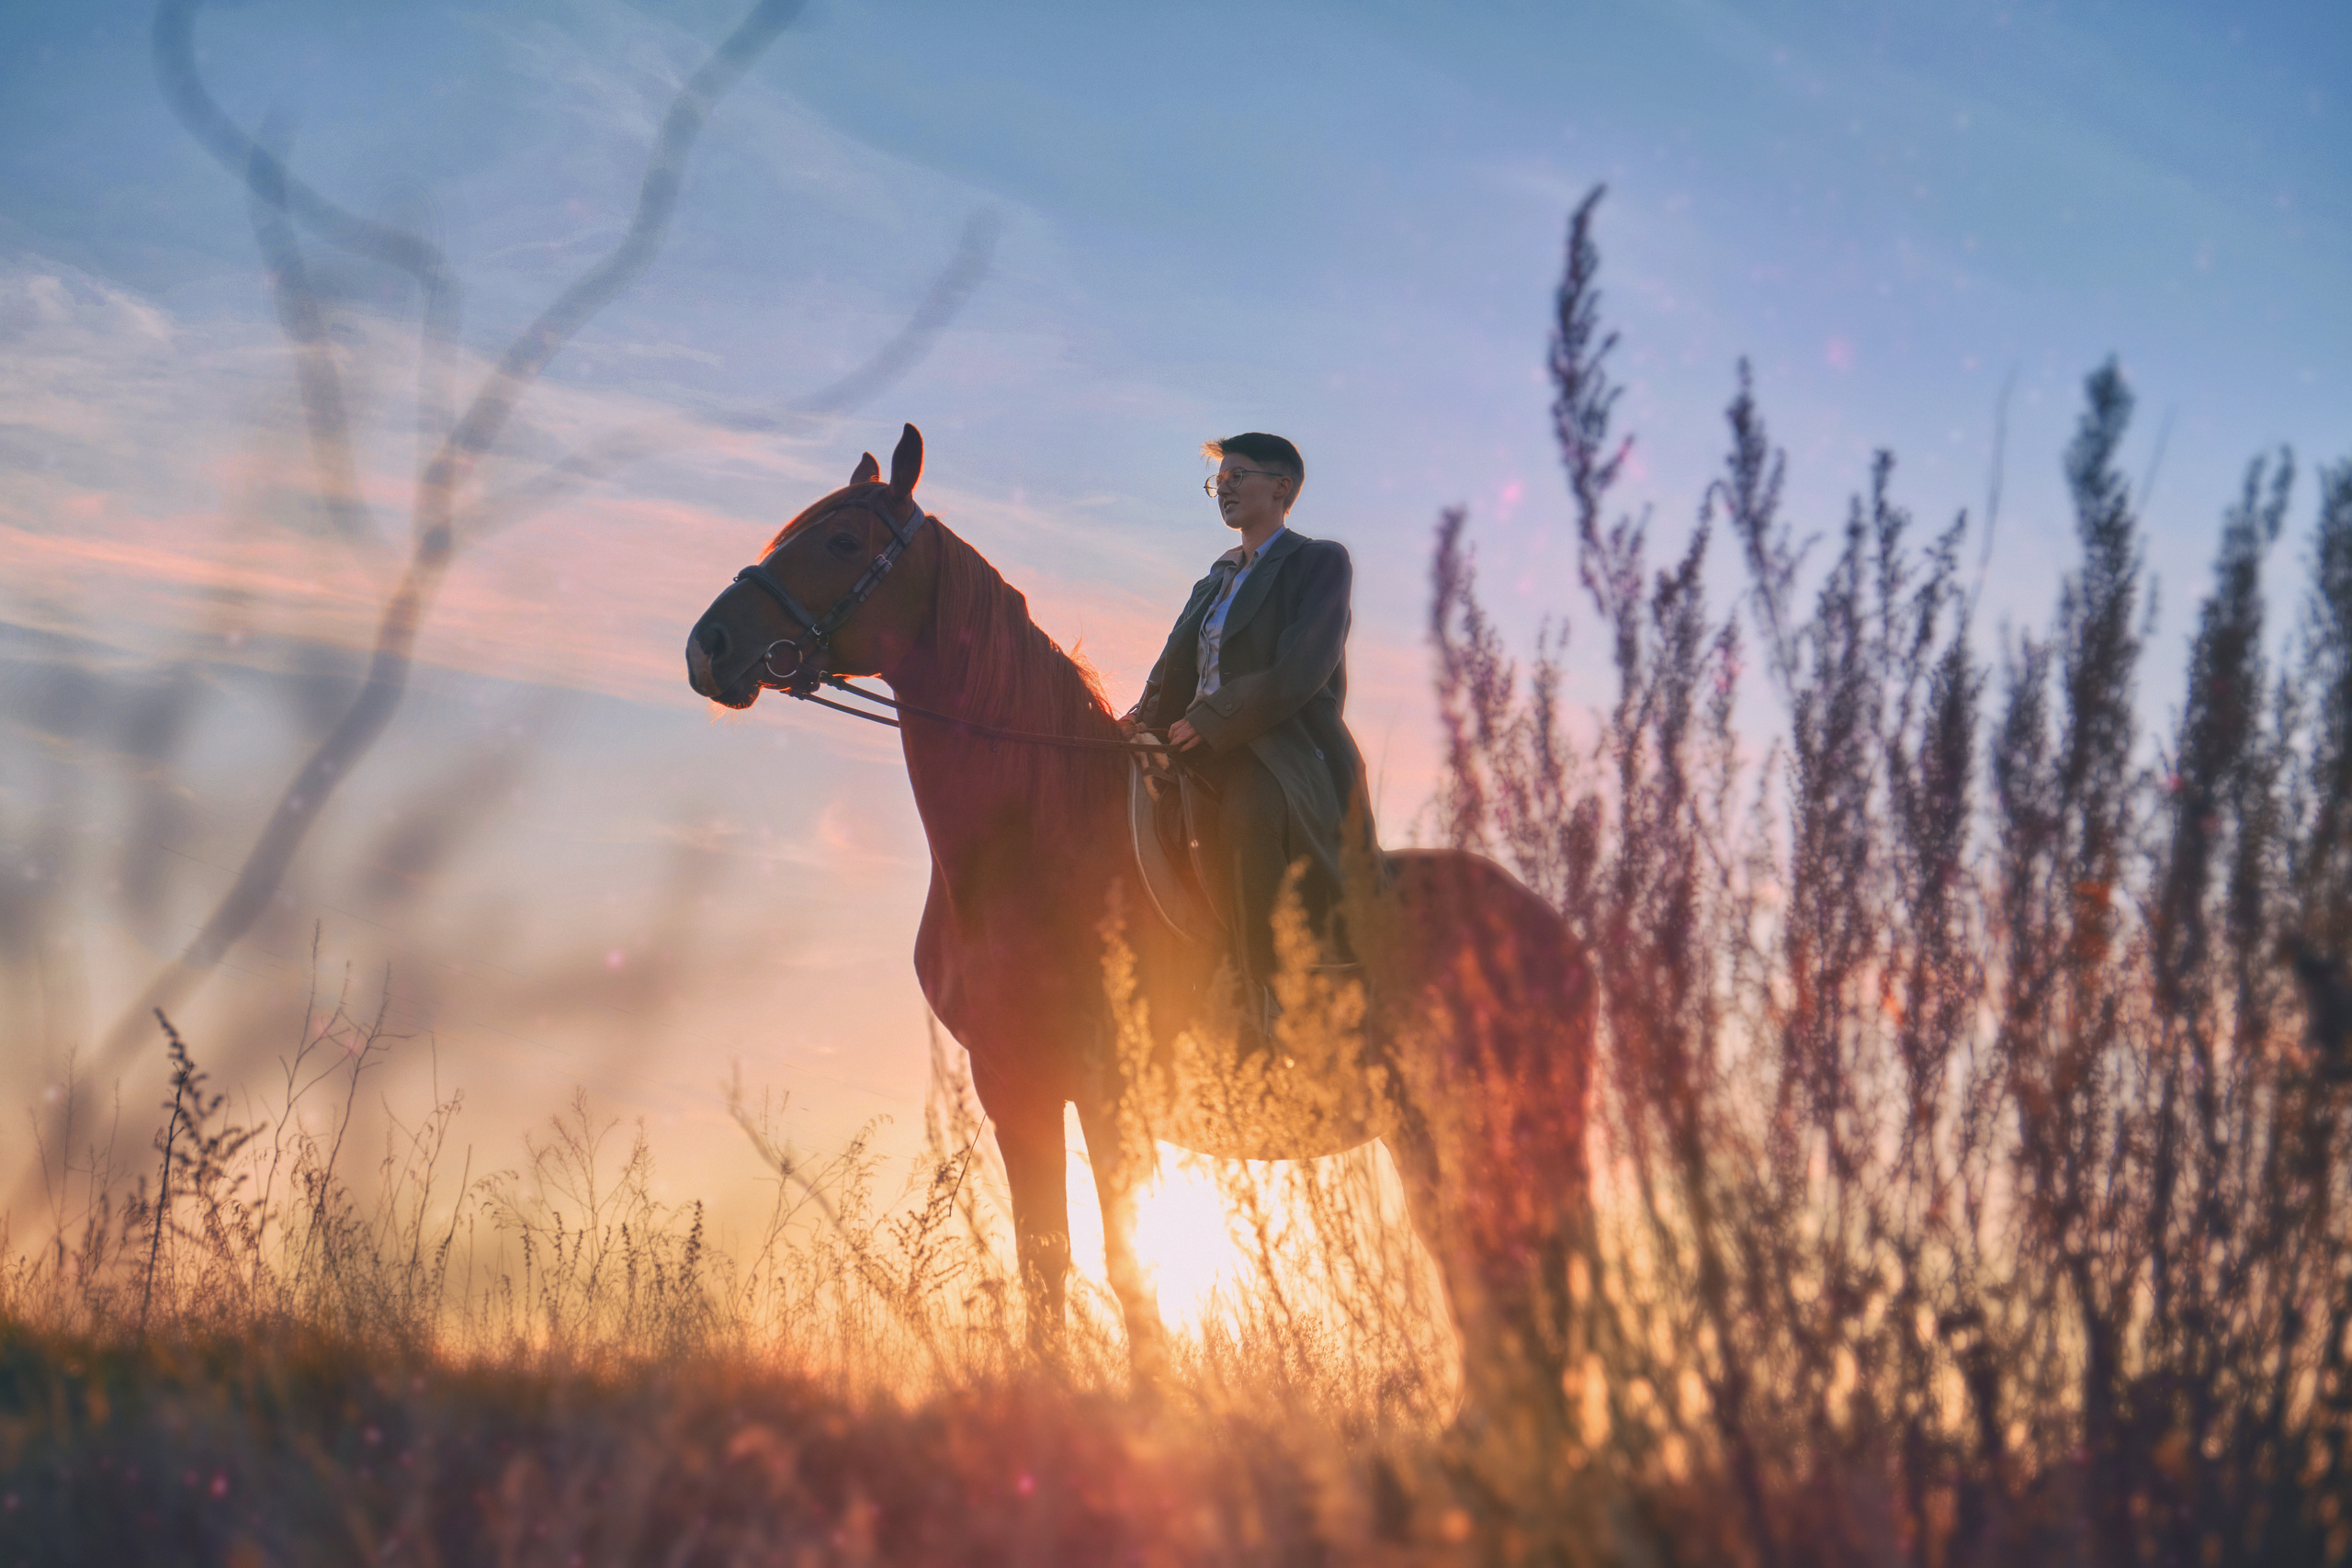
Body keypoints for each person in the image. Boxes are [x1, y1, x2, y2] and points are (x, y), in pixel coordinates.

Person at [1124, 433, 1372, 1016]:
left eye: (1237, 476)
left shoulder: (1319, 561)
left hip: (1281, 752)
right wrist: (1136, 722)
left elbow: (1300, 669)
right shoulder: (1213, 580)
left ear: (1282, 487)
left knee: (1247, 814)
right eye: (1219, 480)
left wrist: (1215, 720)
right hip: (1193, 744)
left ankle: (1269, 998)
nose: (1224, 489)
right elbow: (1171, 671)